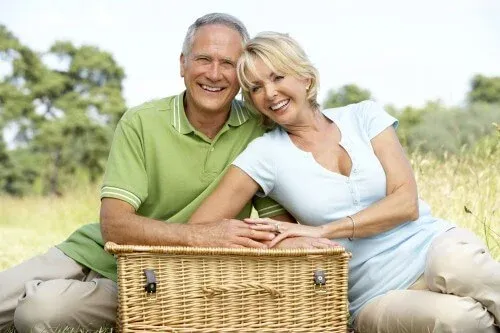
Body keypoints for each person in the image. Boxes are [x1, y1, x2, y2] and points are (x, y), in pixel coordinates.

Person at [0, 15, 337, 333]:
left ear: (243, 75)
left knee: (39, 312)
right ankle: (53, 288)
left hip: (155, 280)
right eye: (204, 59)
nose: (215, 73)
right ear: (183, 64)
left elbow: (273, 226)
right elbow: (114, 225)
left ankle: (52, 296)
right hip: (91, 252)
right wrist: (202, 236)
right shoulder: (142, 122)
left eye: (229, 64)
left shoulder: (261, 132)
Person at [189, 32, 500, 333]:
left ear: (305, 78)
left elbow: (406, 204)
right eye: (256, 88)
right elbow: (200, 226)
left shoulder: (363, 116)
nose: (269, 93)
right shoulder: (263, 154)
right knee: (461, 320)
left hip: (432, 246)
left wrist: (324, 230)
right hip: (374, 294)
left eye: (278, 77)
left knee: (459, 267)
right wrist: (274, 239)